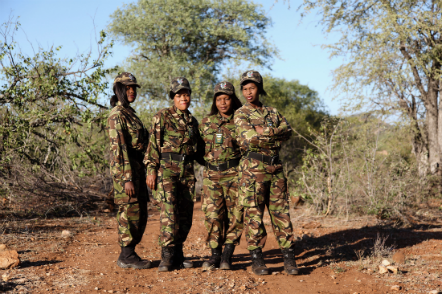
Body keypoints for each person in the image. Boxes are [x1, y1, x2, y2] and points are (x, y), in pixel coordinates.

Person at [234, 70, 299, 275]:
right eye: (245, 89)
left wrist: (264, 132)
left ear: (259, 88)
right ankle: (257, 259)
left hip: (276, 169)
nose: (248, 92)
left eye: (252, 88)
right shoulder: (241, 113)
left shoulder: (272, 111)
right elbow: (249, 138)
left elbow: (288, 130)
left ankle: (289, 259)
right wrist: (273, 133)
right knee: (253, 215)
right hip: (253, 170)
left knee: (281, 214)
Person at [144, 77, 205, 272]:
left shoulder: (192, 121)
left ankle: (178, 253)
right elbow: (153, 145)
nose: (183, 98)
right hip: (166, 171)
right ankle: (167, 255)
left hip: (187, 173)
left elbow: (198, 152)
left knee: (186, 214)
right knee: (169, 214)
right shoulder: (161, 116)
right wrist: (151, 170)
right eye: (179, 95)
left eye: (186, 94)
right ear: (173, 97)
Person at [107, 72, 151, 269]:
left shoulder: (129, 113)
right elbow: (119, 149)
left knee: (140, 212)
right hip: (127, 172)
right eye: (127, 88)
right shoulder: (117, 116)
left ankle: (130, 253)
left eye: (133, 88)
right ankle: (126, 255)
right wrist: (127, 179)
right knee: (129, 213)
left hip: (137, 169)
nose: (131, 91)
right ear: (118, 90)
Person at [199, 81, 243, 270]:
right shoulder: (206, 123)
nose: (223, 103)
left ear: (233, 100)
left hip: (235, 174)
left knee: (235, 215)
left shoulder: (241, 121)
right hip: (212, 176)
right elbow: (198, 150)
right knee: (213, 215)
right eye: (219, 99)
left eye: (226, 99)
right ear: (214, 101)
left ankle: (228, 255)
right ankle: (215, 254)